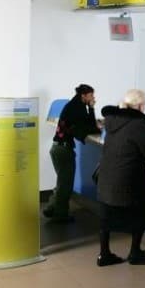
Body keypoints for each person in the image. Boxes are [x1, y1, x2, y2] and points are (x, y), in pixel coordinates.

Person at [97, 89, 145, 266]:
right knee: (141, 214)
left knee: (106, 218)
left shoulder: (111, 120)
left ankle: (104, 254)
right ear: (140, 106)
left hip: (106, 178)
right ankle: (135, 253)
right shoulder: (138, 124)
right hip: (128, 180)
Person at [43, 84, 101, 221]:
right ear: (84, 95)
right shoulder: (78, 109)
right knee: (66, 185)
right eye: (91, 95)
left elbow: (86, 126)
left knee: (62, 182)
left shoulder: (73, 105)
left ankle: (51, 208)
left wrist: (90, 109)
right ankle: (60, 215)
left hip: (57, 148)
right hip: (64, 151)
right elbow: (90, 127)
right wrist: (92, 108)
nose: (93, 98)